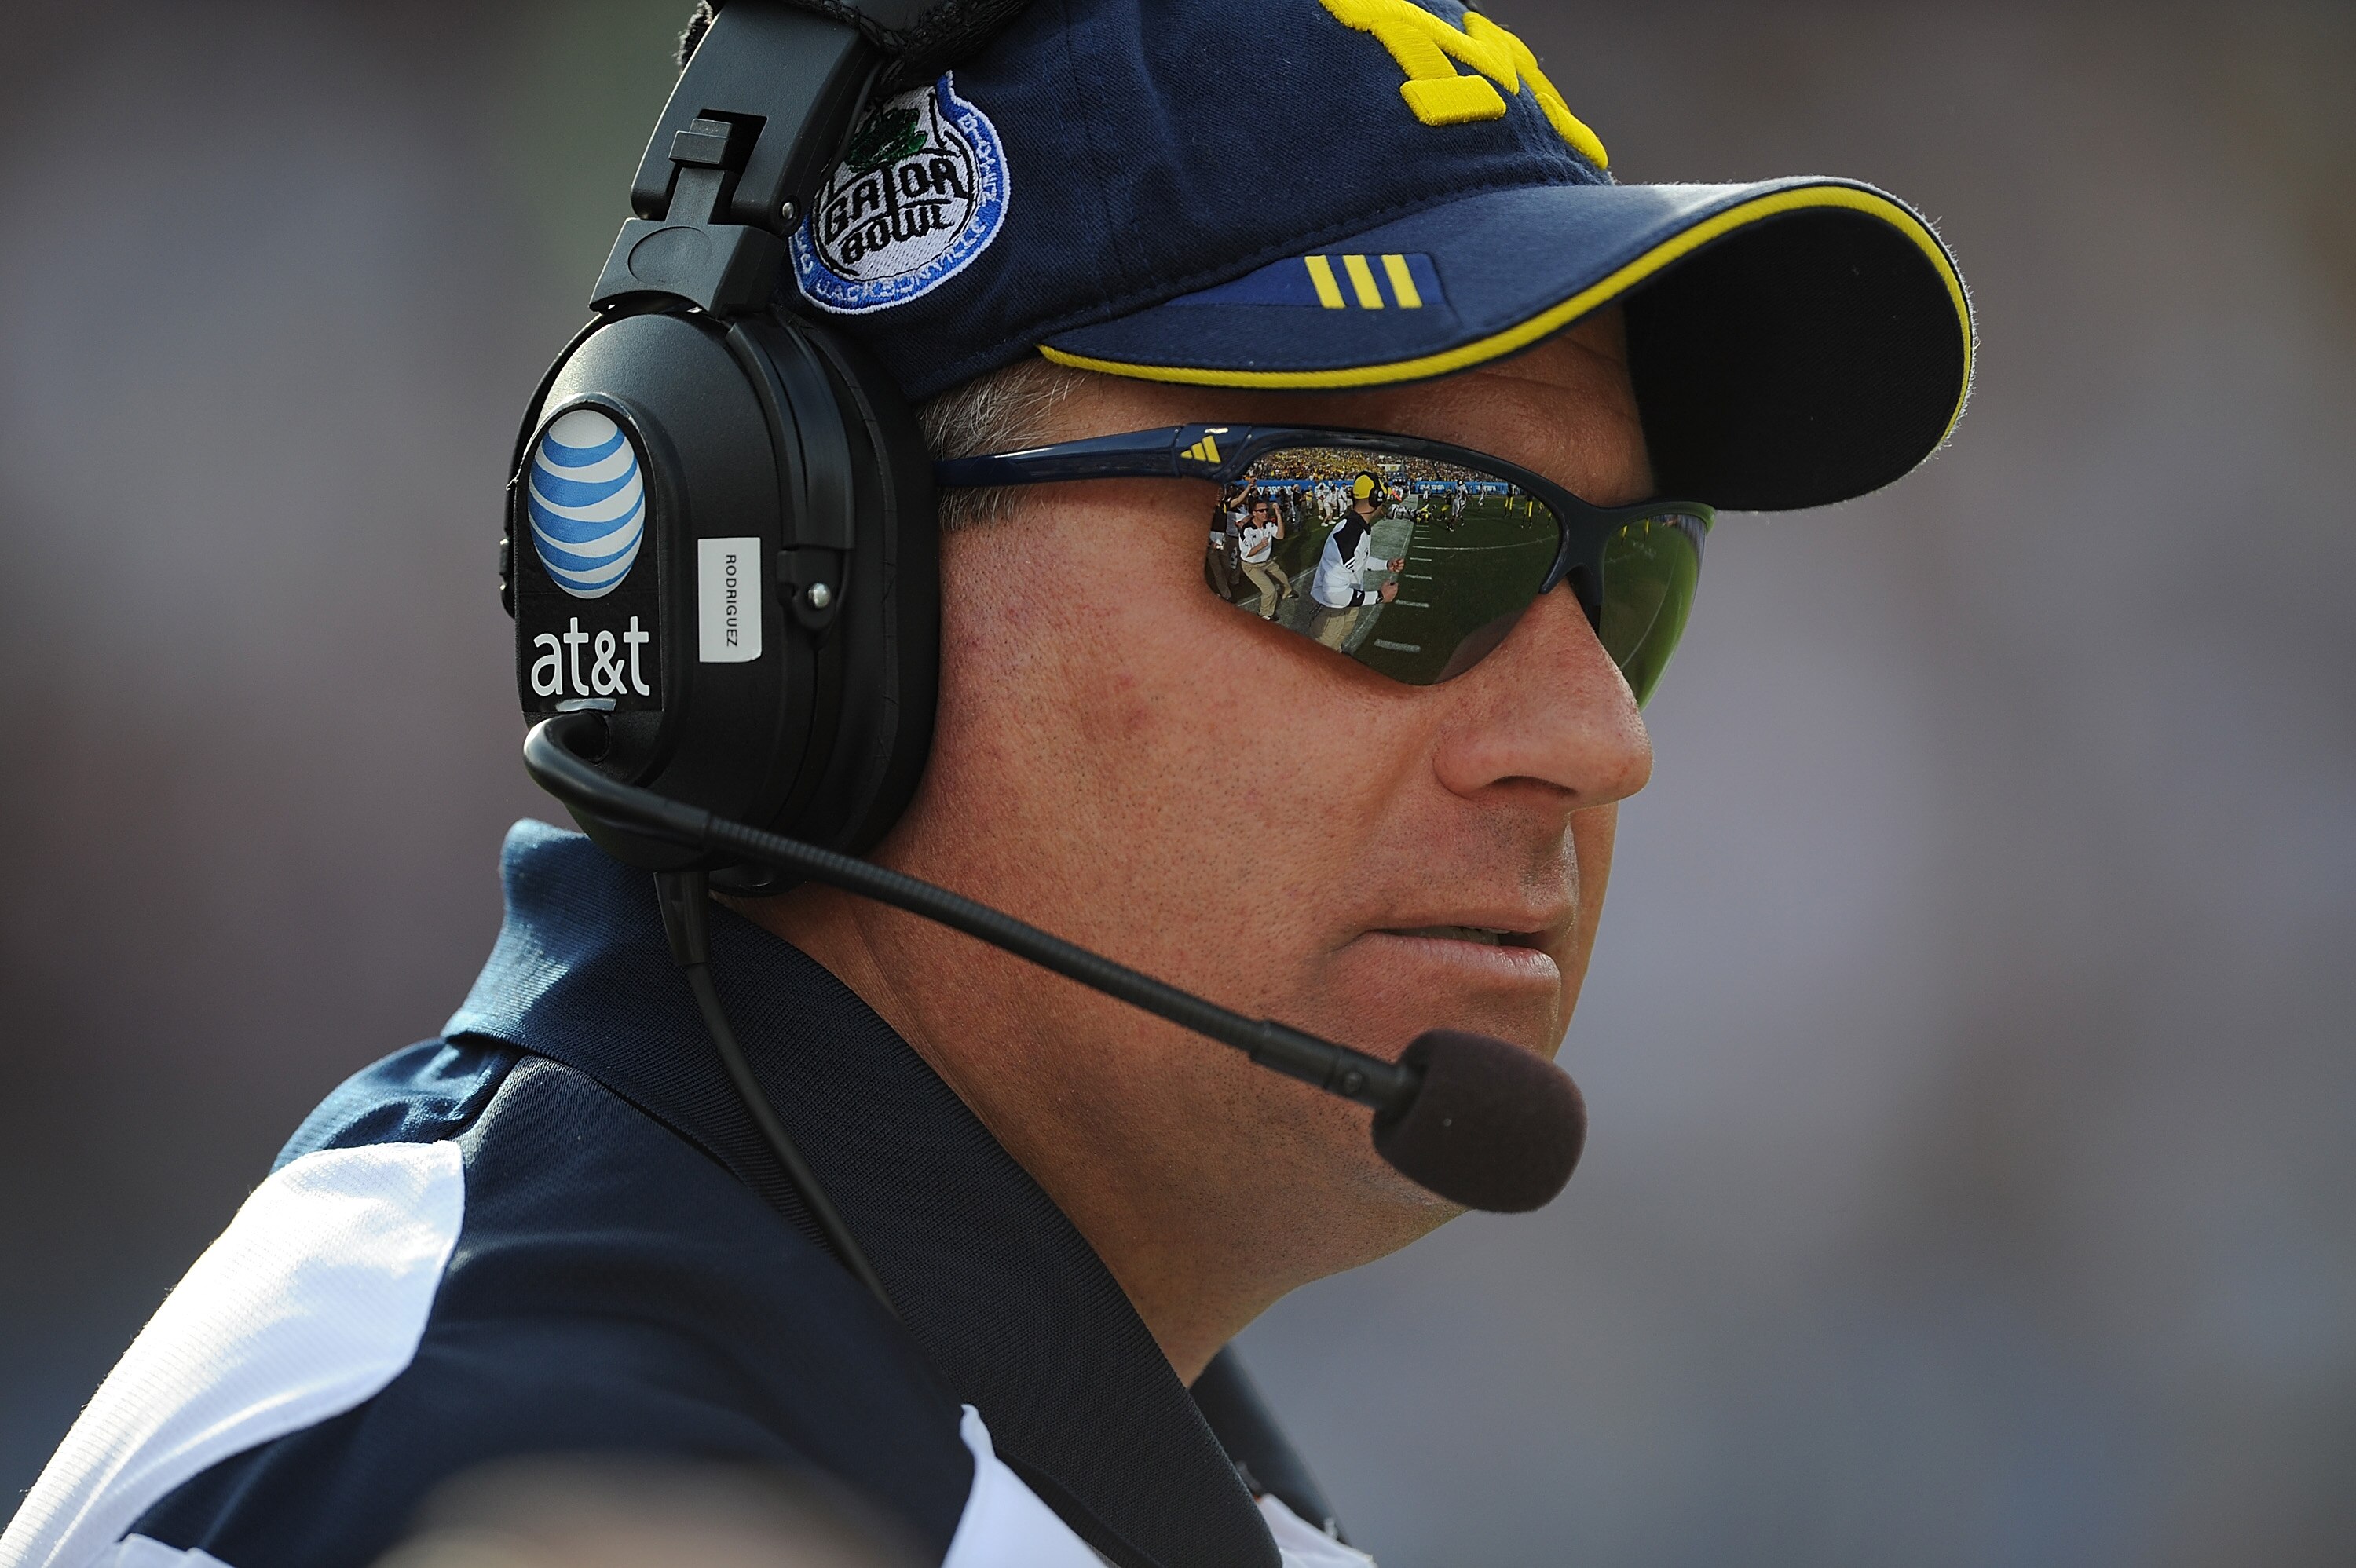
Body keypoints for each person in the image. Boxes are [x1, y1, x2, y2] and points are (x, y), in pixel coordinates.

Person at [0, 2, 1970, 1566]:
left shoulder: (946, 1416)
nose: (1599, 734)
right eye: (1375, 535)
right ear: (801, 593)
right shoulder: (454, 1473)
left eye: (1626, 579)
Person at [1306, 472, 1406, 651]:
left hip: (1348, 603)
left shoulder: (1358, 527)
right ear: (1377, 498)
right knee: (1320, 662)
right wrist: (1379, 596)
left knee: (1336, 649)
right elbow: (1333, 594)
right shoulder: (1350, 535)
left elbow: (1359, 561)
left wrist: (1385, 564)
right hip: (1333, 611)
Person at [1236, 493, 1293, 620]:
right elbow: (1246, 553)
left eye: (1266, 510)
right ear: (1254, 513)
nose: (1265, 513)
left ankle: (1285, 593)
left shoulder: (1268, 525)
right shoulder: (1247, 530)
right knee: (1269, 590)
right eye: (1261, 510)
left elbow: (1280, 536)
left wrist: (1278, 515)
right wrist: (1261, 546)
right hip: (1251, 565)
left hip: (1266, 562)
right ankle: (1264, 613)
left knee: (1283, 578)